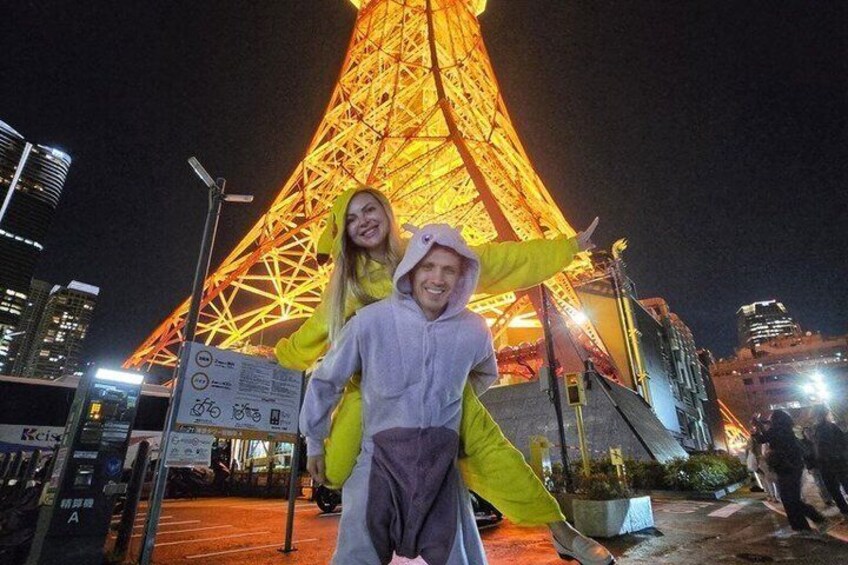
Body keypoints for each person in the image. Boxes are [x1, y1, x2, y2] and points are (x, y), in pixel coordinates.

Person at [279, 187, 613, 563]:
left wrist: (565, 248)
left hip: (439, 388)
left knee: (492, 451)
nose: (363, 222)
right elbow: (315, 335)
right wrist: (283, 361)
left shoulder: (425, 250)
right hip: (377, 390)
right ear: (342, 230)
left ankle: (561, 530)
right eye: (351, 219)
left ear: (386, 210)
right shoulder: (350, 285)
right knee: (336, 468)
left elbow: (496, 261)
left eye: (369, 210)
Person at [753, 410, 829, 533]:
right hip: (793, 466)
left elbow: (762, 438)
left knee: (790, 499)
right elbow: (768, 434)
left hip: (786, 468)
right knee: (791, 498)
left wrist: (755, 430)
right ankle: (803, 525)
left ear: (776, 419)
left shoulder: (777, 430)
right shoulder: (785, 429)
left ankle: (811, 522)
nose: (770, 419)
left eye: (771, 417)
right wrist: (760, 424)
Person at [811, 405, 848, 515]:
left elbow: (822, 448)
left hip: (830, 463)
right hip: (834, 462)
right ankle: (845, 511)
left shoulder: (823, 429)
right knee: (839, 487)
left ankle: (845, 511)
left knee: (835, 489)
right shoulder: (827, 427)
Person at [800, 426, 835, 506]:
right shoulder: (803, 443)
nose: (809, 433)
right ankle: (827, 500)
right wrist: (809, 467)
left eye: (810, 431)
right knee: (820, 483)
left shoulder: (816, 440)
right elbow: (804, 456)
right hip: (813, 466)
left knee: (827, 481)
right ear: (804, 434)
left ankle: (831, 497)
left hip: (822, 464)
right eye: (806, 432)